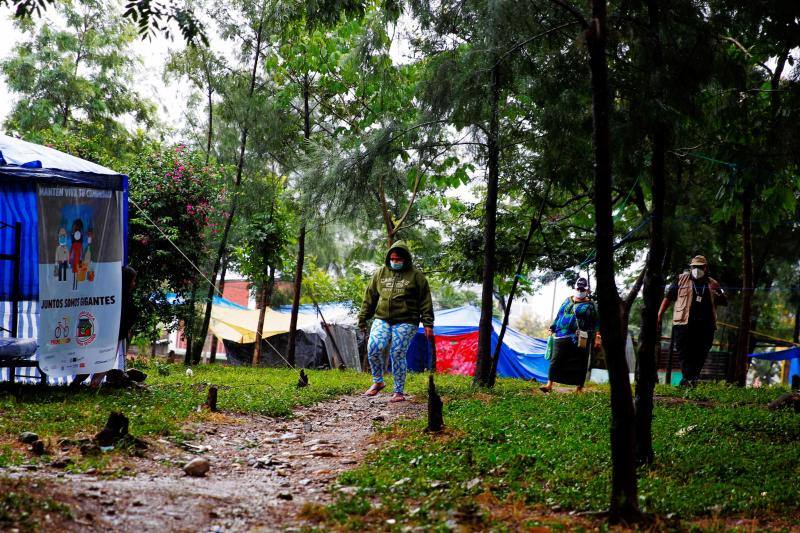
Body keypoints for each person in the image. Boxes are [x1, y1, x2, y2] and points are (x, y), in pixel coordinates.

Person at [358, 241, 434, 402]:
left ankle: (398, 391)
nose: (395, 261)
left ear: (405, 258)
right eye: (392, 258)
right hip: (382, 318)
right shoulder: (380, 273)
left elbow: (425, 301)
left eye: (398, 258)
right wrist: (363, 318)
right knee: (373, 346)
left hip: (407, 320)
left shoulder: (416, 276)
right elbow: (369, 297)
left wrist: (428, 323)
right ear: (388, 258)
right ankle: (378, 382)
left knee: (397, 351)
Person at [658, 255, 727, 387]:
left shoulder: (712, 283)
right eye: (694, 267)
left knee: (701, 352)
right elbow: (668, 298)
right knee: (684, 352)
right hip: (684, 323)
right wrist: (659, 315)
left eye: (700, 267)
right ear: (690, 267)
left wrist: (718, 291)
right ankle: (689, 379)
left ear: (705, 268)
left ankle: (689, 379)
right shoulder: (681, 279)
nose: (697, 269)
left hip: (705, 326)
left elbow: (724, 302)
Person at [70, 266, 138, 388]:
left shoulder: (108, 294)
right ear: (127, 281)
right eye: (133, 281)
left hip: (100, 334)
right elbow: (127, 317)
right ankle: (94, 383)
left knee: (90, 360)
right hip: (113, 336)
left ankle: (77, 382)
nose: (134, 284)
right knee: (105, 361)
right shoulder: (123, 298)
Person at [540, 278, 597, 393]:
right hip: (561, 334)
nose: (580, 290)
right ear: (575, 288)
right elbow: (559, 315)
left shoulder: (591, 305)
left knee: (580, 362)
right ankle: (549, 384)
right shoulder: (567, 300)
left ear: (587, 290)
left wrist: (594, 337)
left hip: (579, 337)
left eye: (582, 289)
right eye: (578, 288)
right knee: (555, 360)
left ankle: (579, 388)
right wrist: (553, 327)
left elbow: (595, 322)